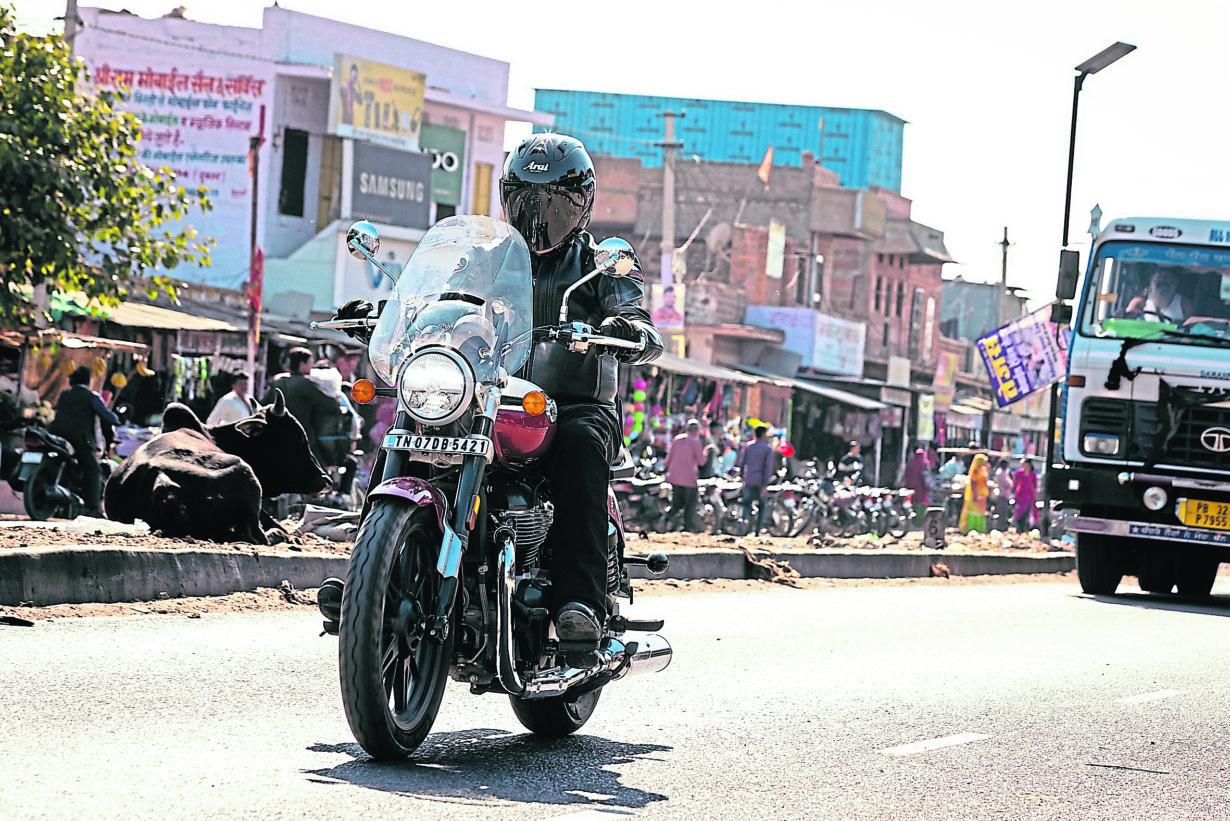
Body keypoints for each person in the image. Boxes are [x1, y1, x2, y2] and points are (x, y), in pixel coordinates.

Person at [334, 133, 663, 659]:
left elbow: (636, 312)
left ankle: (580, 603)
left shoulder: (601, 262)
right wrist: (390, 313)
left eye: (553, 201)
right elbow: (444, 298)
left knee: (579, 445)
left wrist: (627, 328)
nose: (539, 213)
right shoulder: (487, 255)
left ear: (581, 202)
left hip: (575, 401)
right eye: (527, 197)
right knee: (415, 426)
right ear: (508, 196)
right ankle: (370, 574)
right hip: (490, 392)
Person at [47, 366, 120, 518]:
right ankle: (94, 509)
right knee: (93, 470)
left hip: (56, 434)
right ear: (88, 380)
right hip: (79, 439)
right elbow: (109, 417)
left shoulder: (64, 394)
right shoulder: (91, 396)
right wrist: (116, 418)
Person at [262, 347, 339, 466]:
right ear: (302, 364)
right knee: (320, 474)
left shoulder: (276, 380)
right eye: (310, 363)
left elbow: (263, 404)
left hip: (276, 436)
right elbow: (330, 404)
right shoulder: (305, 383)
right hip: (301, 437)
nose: (311, 367)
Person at [664, 419, 707, 533]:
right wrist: (706, 452)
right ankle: (686, 528)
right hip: (689, 480)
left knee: (676, 503)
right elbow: (702, 461)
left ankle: (666, 521)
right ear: (697, 431)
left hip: (674, 478)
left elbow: (668, 460)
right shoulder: (695, 442)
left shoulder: (677, 440)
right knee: (690, 505)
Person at [735, 425, 775, 536]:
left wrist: (742, 476)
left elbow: (742, 463)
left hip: (749, 479)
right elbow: (767, 468)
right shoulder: (767, 449)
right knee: (762, 506)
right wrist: (765, 484)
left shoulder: (748, 447)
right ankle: (757, 531)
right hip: (761, 481)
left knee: (746, 504)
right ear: (763, 435)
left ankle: (742, 526)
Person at [1126, 267, 1192, 323]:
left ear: (1174, 280)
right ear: (1152, 280)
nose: (1162, 280)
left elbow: (1190, 327)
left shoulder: (1184, 303)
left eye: (1166, 277)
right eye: (1159, 276)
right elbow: (1127, 321)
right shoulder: (1139, 302)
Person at [958, 453, 990, 534]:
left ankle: (980, 529)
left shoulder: (984, 469)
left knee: (981, 512)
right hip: (975, 495)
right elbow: (973, 482)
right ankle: (971, 528)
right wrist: (975, 494)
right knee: (973, 512)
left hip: (982, 495)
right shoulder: (975, 471)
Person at [1012, 458, 1038, 533]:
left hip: (1029, 497)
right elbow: (1015, 483)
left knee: (1025, 514)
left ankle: (1023, 530)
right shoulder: (1019, 473)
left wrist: (1035, 497)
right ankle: (1018, 530)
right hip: (1020, 496)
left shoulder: (1033, 474)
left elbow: (1035, 486)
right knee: (1018, 514)